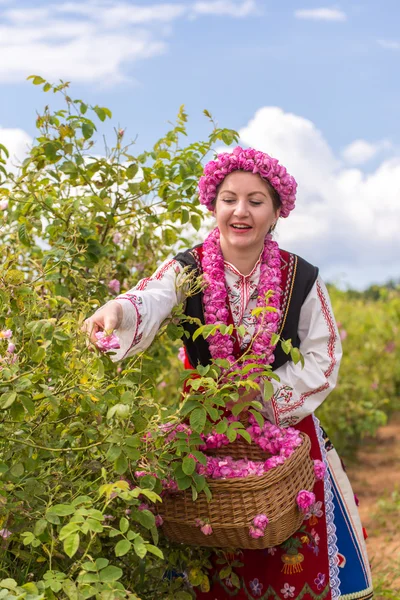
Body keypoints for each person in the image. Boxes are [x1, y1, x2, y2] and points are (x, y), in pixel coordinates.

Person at [83, 147, 373, 600]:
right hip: (206, 426)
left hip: (284, 426)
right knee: (208, 545)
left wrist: (263, 395)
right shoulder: (188, 268)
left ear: (277, 212)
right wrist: (116, 310)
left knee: (287, 541)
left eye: (256, 201)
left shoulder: (302, 276)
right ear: (212, 205)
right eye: (229, 199)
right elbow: (152, 297)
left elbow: (324, 352)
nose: (241, 211)